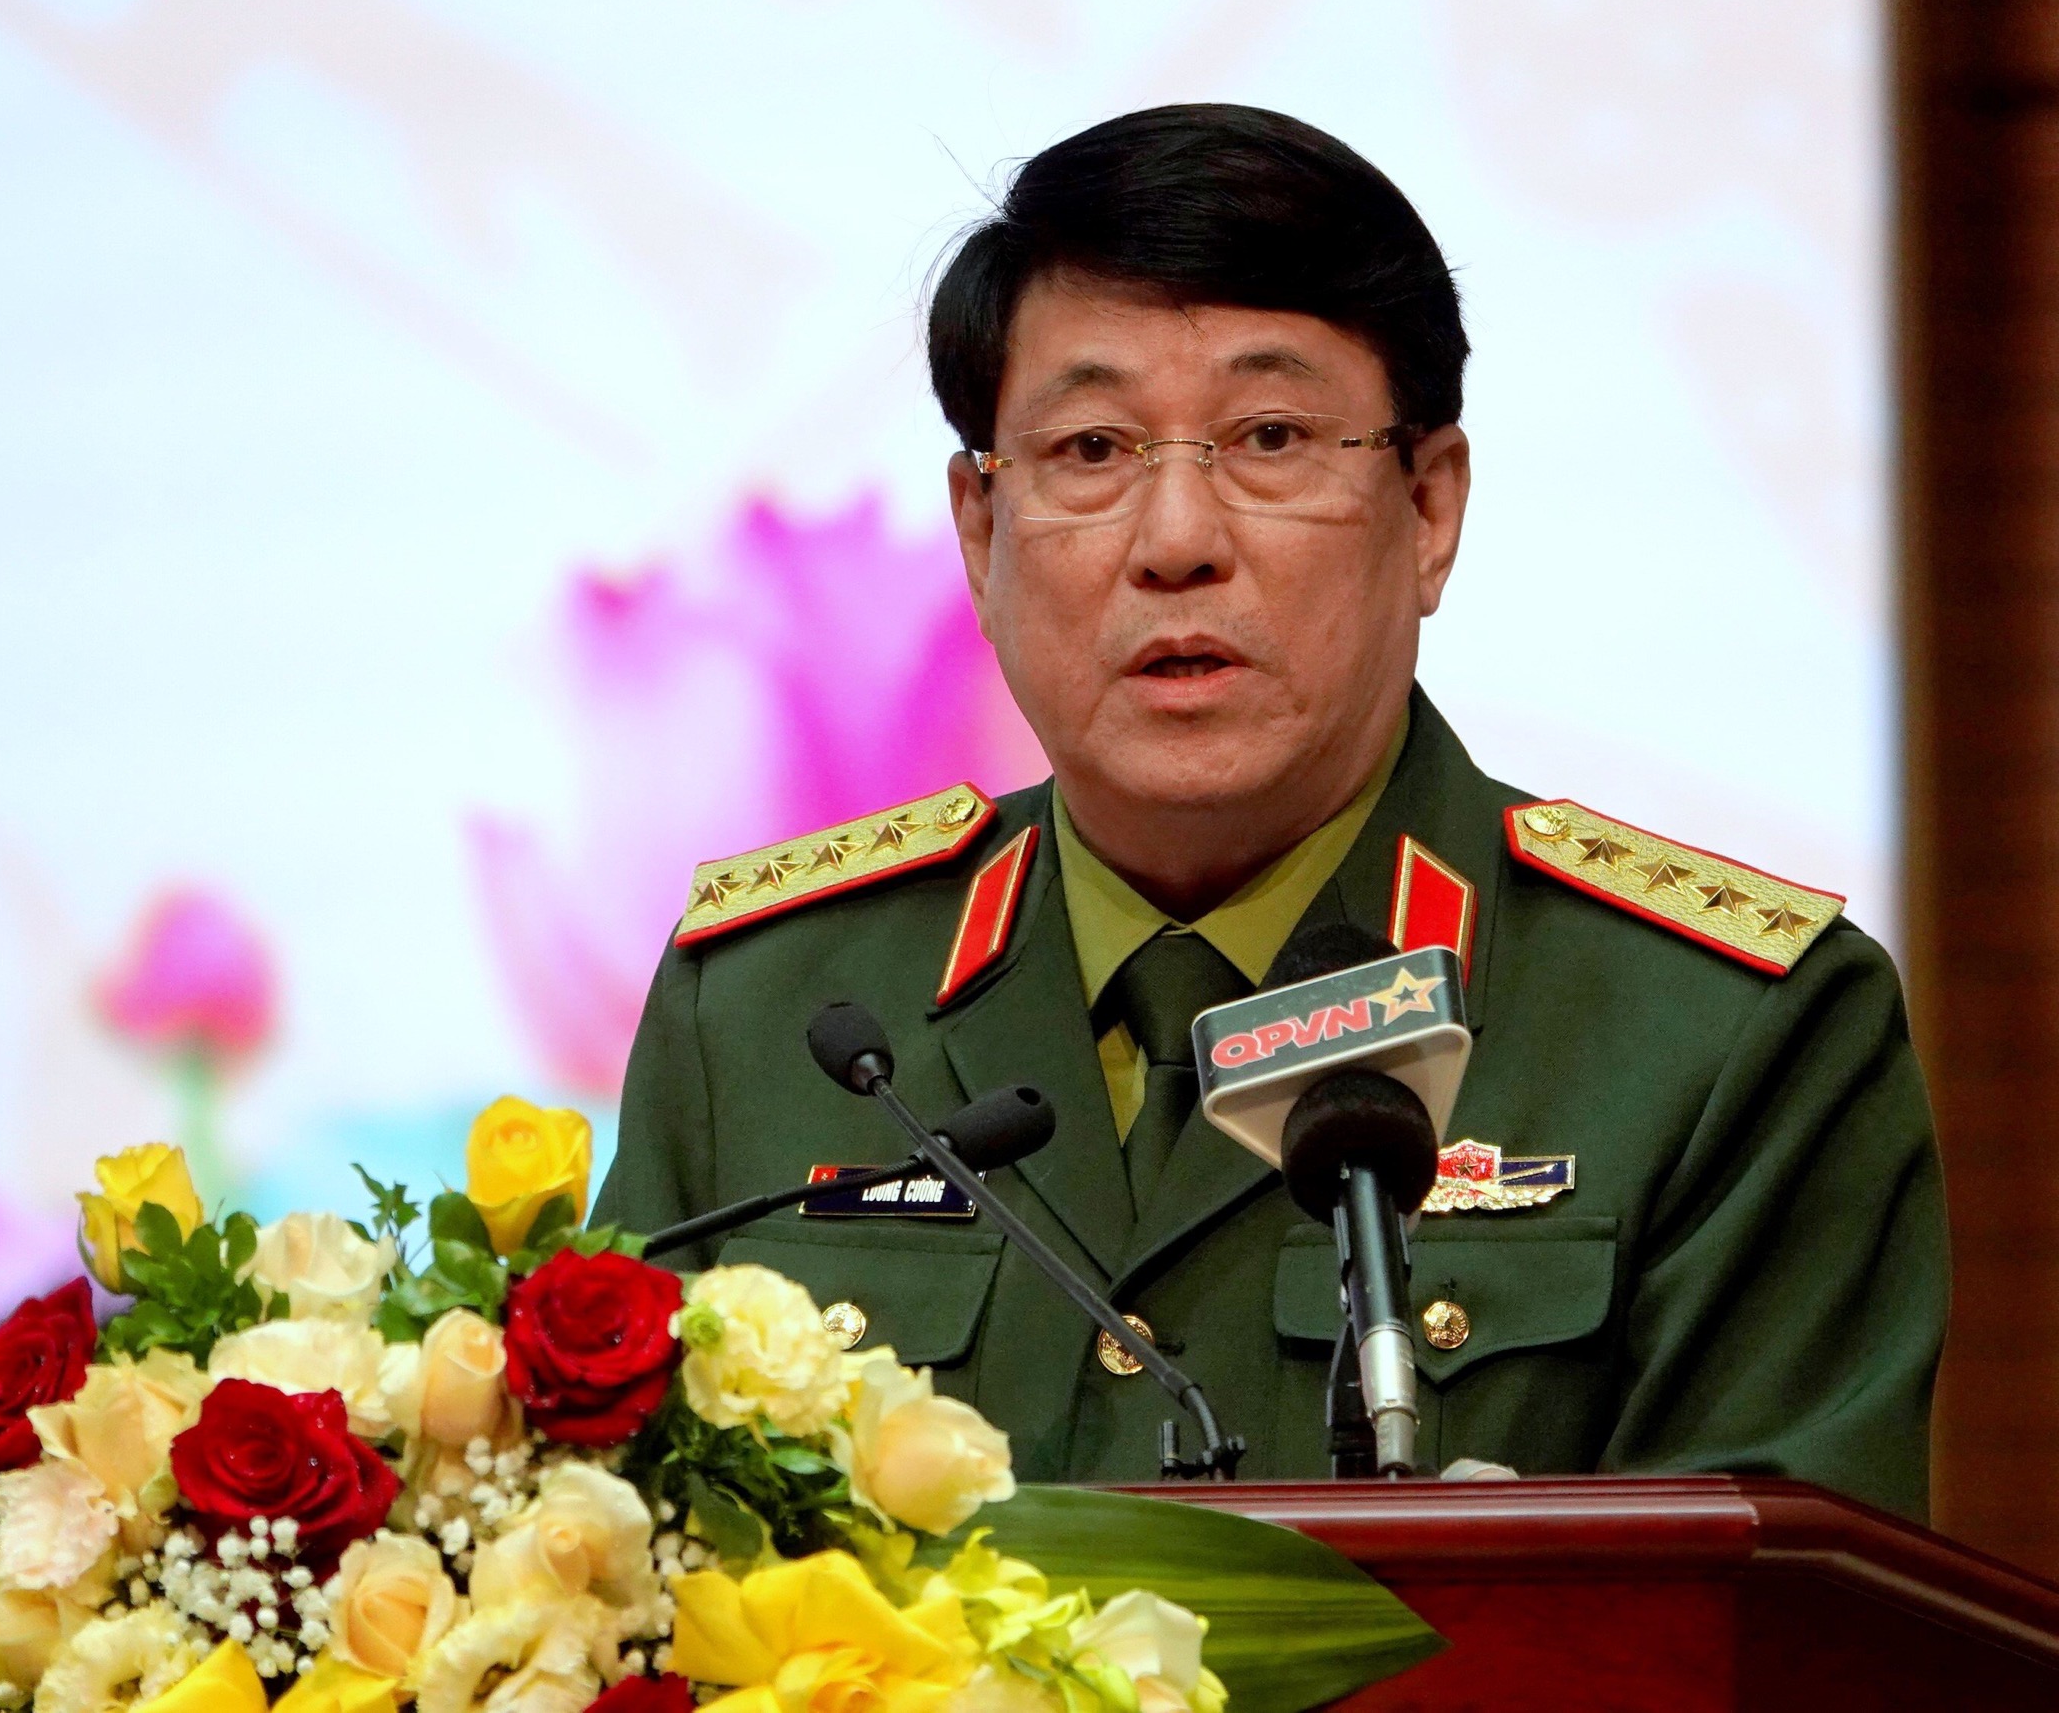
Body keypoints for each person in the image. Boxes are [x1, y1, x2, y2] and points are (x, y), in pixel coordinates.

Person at [591, 104, 1945, 1518]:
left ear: (1429, 509)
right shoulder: (766, 1014)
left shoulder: (1729, 1038)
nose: (1177, 542)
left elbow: (1765, 1622)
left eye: (1272, 436)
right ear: (982, 534)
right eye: (1092, 449)